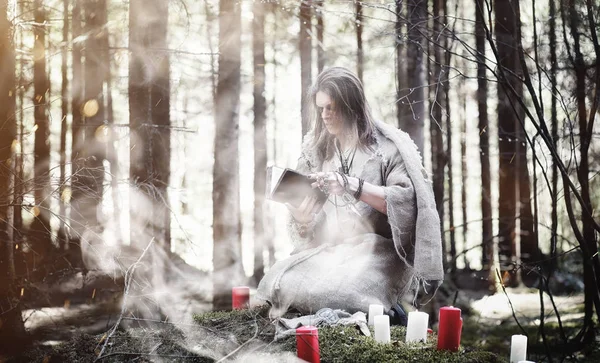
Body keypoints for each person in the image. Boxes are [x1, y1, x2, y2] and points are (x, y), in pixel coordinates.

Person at [257, 67, 443, 323]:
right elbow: (310, 227)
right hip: (330, 252)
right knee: (277, 282)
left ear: (352, 105)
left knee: (341, 294)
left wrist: (352, 185)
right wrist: (302, 218)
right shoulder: (317, 151)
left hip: (377, 252)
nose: (325, 115)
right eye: (320, 108)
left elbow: (407, 203)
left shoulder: (389, 148)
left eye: (331, 107)